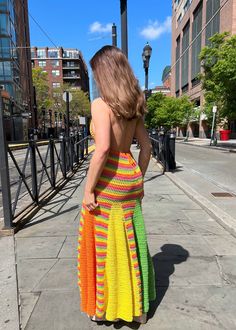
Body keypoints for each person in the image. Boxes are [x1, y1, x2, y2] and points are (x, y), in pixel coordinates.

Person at [77, 45, 156, 324]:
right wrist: (138, 178)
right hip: (130, 176)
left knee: (103, 244)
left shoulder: (101, 105)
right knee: (132, 240)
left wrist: (88, 190)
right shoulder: (134, 104)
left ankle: (103, 309)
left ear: (104, 73)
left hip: (110, 178)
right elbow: (146, 149)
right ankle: (139, 308)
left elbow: (102, 150)